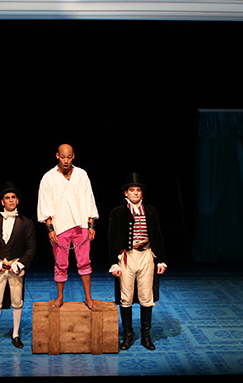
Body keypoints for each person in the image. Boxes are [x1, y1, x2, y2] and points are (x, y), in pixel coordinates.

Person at [107, 174, 166, 350]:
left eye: (138, 190)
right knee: (125, 296)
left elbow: (157, 235)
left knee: (146, 296)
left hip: (146, 255)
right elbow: (111, 238)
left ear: (141, 193)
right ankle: (128, 334)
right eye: (132, 190)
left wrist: (161, 260)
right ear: (126, 193)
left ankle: (146, 335)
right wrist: (114, 262)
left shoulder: (150, 211)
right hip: (127, 257)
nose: (135, 193)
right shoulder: (118, 212)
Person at [37, 143, 99, 309]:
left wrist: (91, 224)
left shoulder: (81, 174)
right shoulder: (48, 177)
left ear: (73, 156)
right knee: (60, 263)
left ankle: (88, 297)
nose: (66, 161)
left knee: (84, 261)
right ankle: (60, 296)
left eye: (69, 157)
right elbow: (45, 202)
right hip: (60, 226)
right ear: (57, 156)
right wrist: (50, 228)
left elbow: (89, 198)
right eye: (63, 157)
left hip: (81, 224)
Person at [0, 183, 37, 348]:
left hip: (16, 267)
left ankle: (15, 335)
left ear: (17, 200)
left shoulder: (26, 222)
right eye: (7, 198)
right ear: (2, 202)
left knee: (17, 301)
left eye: (13, 197)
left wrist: (20, 264)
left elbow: (31, 246)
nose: (11, 200)